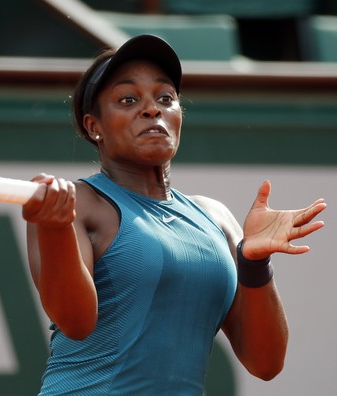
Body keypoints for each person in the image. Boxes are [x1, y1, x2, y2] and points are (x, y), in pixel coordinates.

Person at [22, 34, 327, 395]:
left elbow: (266, 363)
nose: (152, 109)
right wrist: (55, 228)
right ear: (94, 126)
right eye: (128, 99)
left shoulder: (217, 218)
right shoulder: (79, 203)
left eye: (165, 98)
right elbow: (74, 321)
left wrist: (254, 264)